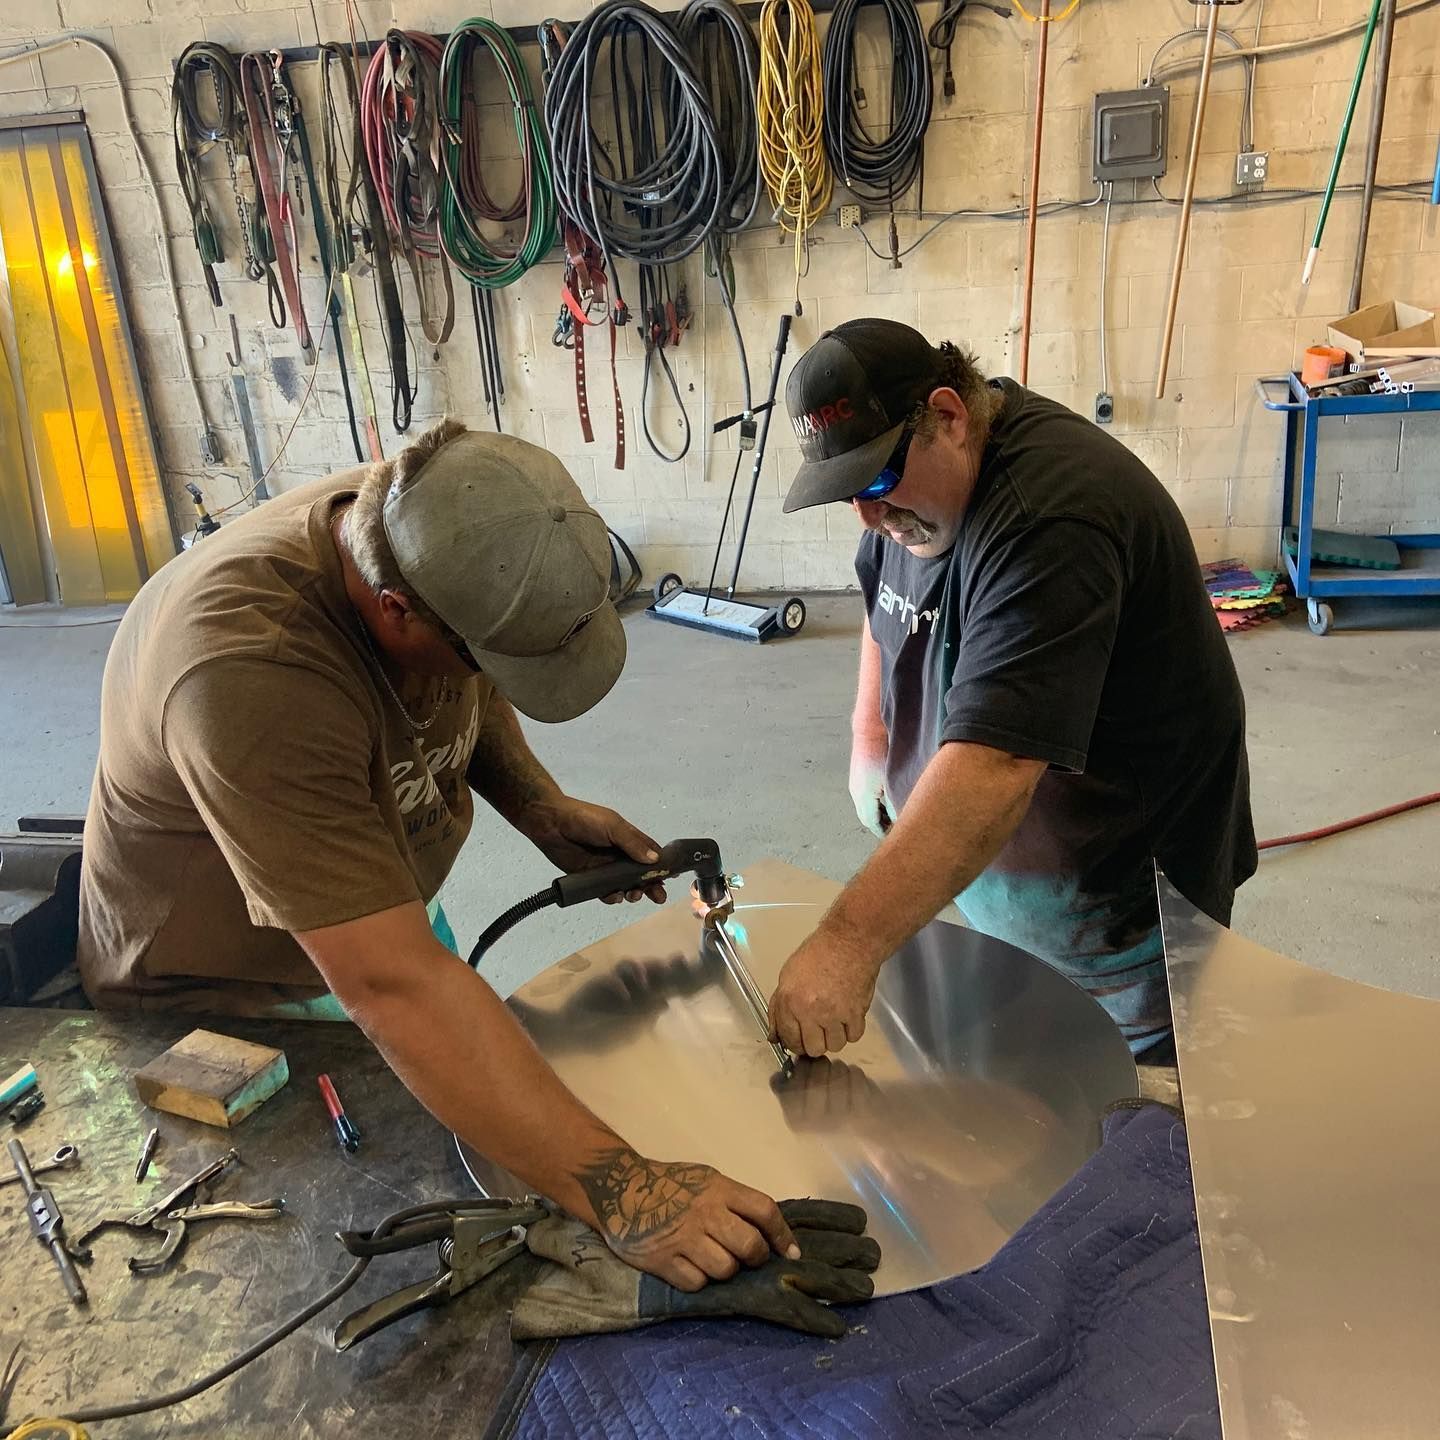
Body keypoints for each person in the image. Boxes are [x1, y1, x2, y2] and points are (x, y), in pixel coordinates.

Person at [78, 420, 800, 1290]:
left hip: (377, 903)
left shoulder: (435, 517)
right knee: (367, 1248)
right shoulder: (250, 675)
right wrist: (632, 1193)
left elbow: (466, 672)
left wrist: (535, 804)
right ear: (397, 610)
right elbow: (394, 985)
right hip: (237, 993)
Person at [767, 320, 1256, 1062]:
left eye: (871, 481)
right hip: (1024, 897)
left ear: (950, 415)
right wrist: (871, 734)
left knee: (1128, 1123)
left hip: (1121, 913)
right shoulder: (915, 496)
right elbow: (880, 595)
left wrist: (848, 944)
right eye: (846, 493)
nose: (866, 516)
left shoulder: (1050, 519)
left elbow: (994, 771)